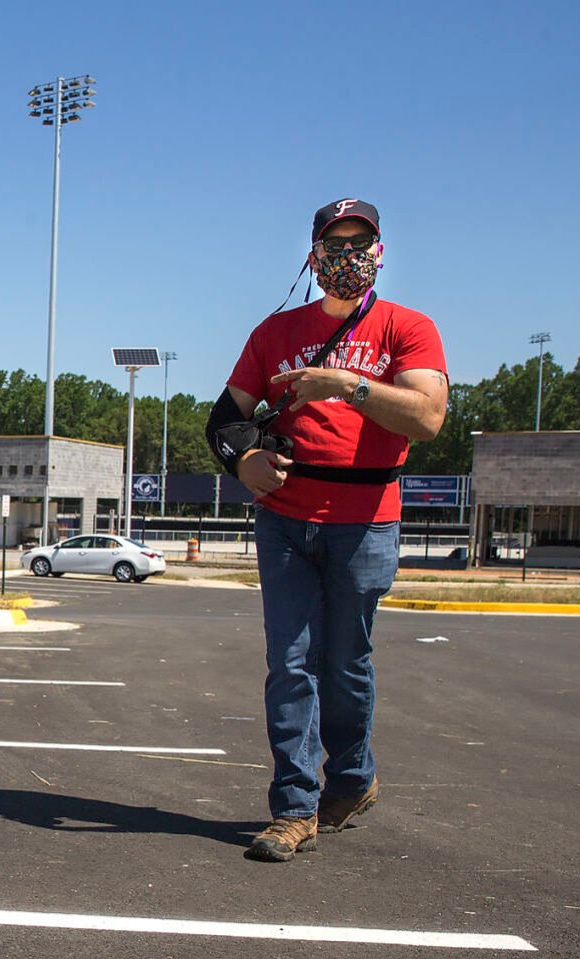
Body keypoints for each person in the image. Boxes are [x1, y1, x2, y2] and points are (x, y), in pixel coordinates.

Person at [207, 199, 448, 862]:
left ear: (379, 251)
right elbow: (223, 420)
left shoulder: (409, 328)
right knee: (290, 664)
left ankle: (351, 776)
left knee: (346, 663)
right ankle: (293, 807)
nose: (347, 253)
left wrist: (345, 384)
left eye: (359, 241)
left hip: (365, 519)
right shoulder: (274, 333)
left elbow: (428, 417)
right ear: (312, 254)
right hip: (285, 519)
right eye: (333, 242)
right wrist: (244, 460)